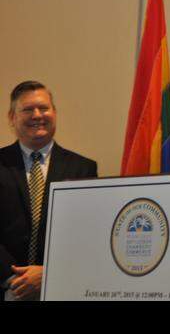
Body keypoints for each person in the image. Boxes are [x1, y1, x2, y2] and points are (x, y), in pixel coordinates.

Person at [1, 81, 98, 301]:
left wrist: (48, 274)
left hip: (62, 288)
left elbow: (86, 233)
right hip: (6, 288)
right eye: (28, 109)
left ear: (54, 113)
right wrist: (15, 280)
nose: (37, 115)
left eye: (44, 108)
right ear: (11, 117)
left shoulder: (83, 168)